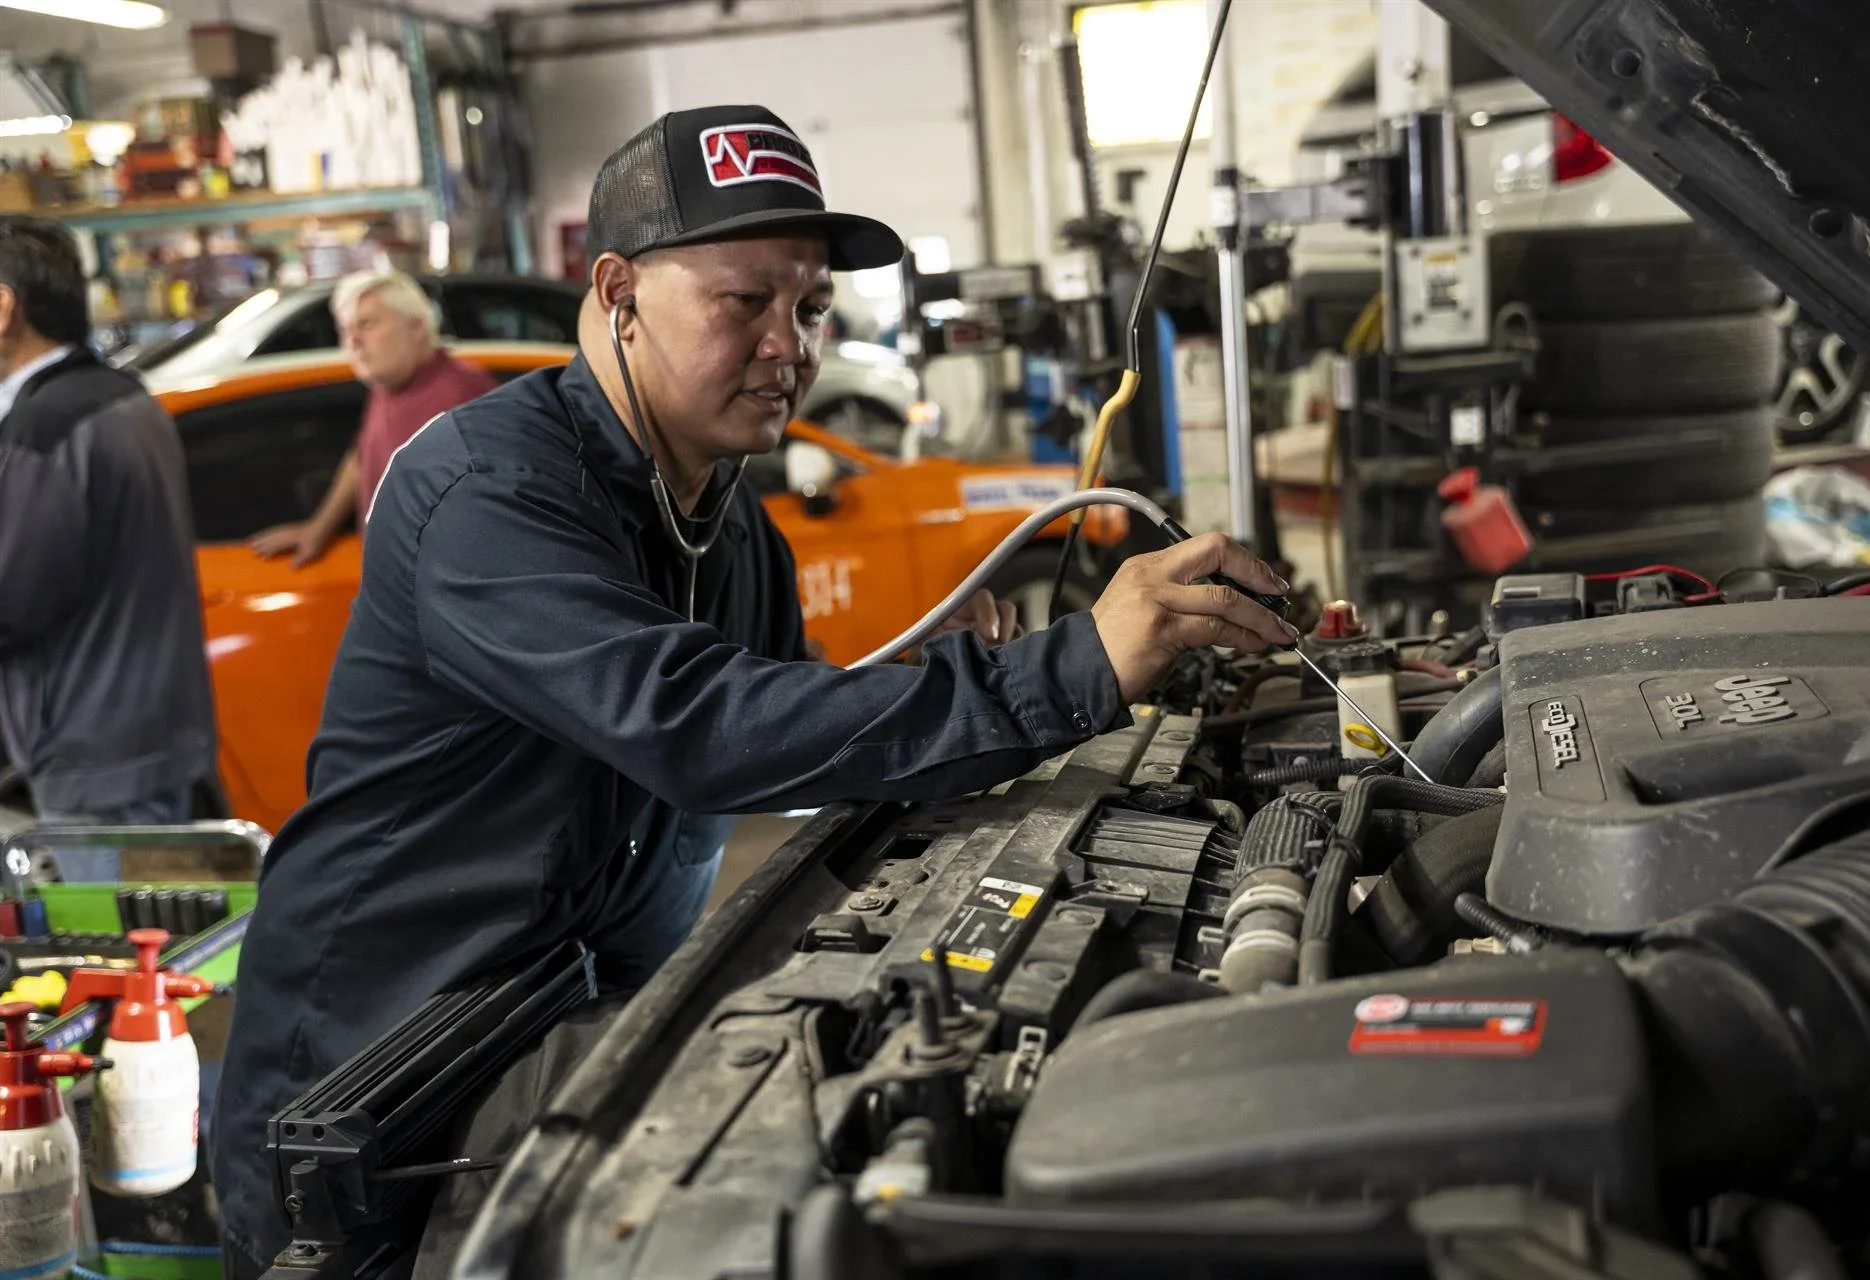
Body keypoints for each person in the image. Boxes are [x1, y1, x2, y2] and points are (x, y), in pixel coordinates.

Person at [211, 105, 1294, 1276]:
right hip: (373, 1094)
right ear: (619, 291)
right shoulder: (487, 491)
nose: (792, 343)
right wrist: (1074, 667)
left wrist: (936, 684)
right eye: (746, 301)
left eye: (812, 306)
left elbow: (779, 711)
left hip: (564, 1043)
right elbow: (696, 724)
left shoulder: (733, 527)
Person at [0, 216, 216, 881]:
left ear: (4, 307)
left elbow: (12, 599)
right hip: (145, 730)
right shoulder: (124, 397)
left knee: (117, 962)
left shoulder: (44, 428)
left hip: (94, 751)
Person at [249, 270, 496, 565]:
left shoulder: (463, 393)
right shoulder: (388, 385)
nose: (352, 341)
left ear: (416, 326)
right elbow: (362, 454)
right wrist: (319, 527)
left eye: (366, 324)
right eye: (345, 329)